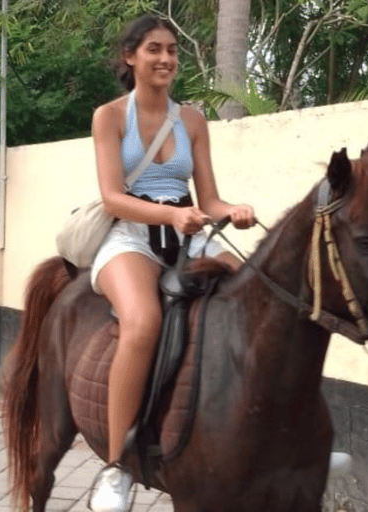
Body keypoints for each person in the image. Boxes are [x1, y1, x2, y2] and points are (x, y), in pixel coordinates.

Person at [88, 14, 255, 512]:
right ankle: (117, 467)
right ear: (130, 56)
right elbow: (113, 198)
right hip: (132, 239)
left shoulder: (194, 120)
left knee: (254, 301)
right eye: (155, 49)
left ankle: (275, 438)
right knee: (142, 324)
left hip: (186, 240)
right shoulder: (110, 117)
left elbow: (211, 199)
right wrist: (171, 213)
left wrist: (234, 211)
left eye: (172, 51)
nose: (166, 59)